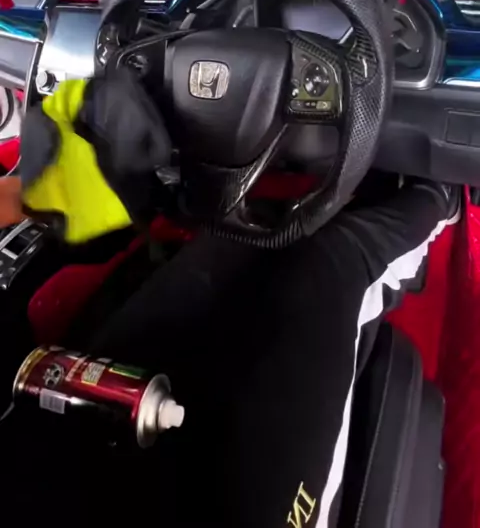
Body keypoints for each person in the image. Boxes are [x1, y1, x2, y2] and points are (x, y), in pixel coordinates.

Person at [0, 72, 459, 527]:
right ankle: (441, 198)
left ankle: (364, 190)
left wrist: (32, 193)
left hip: (52, 436)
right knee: (330, 266)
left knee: (238, 238)